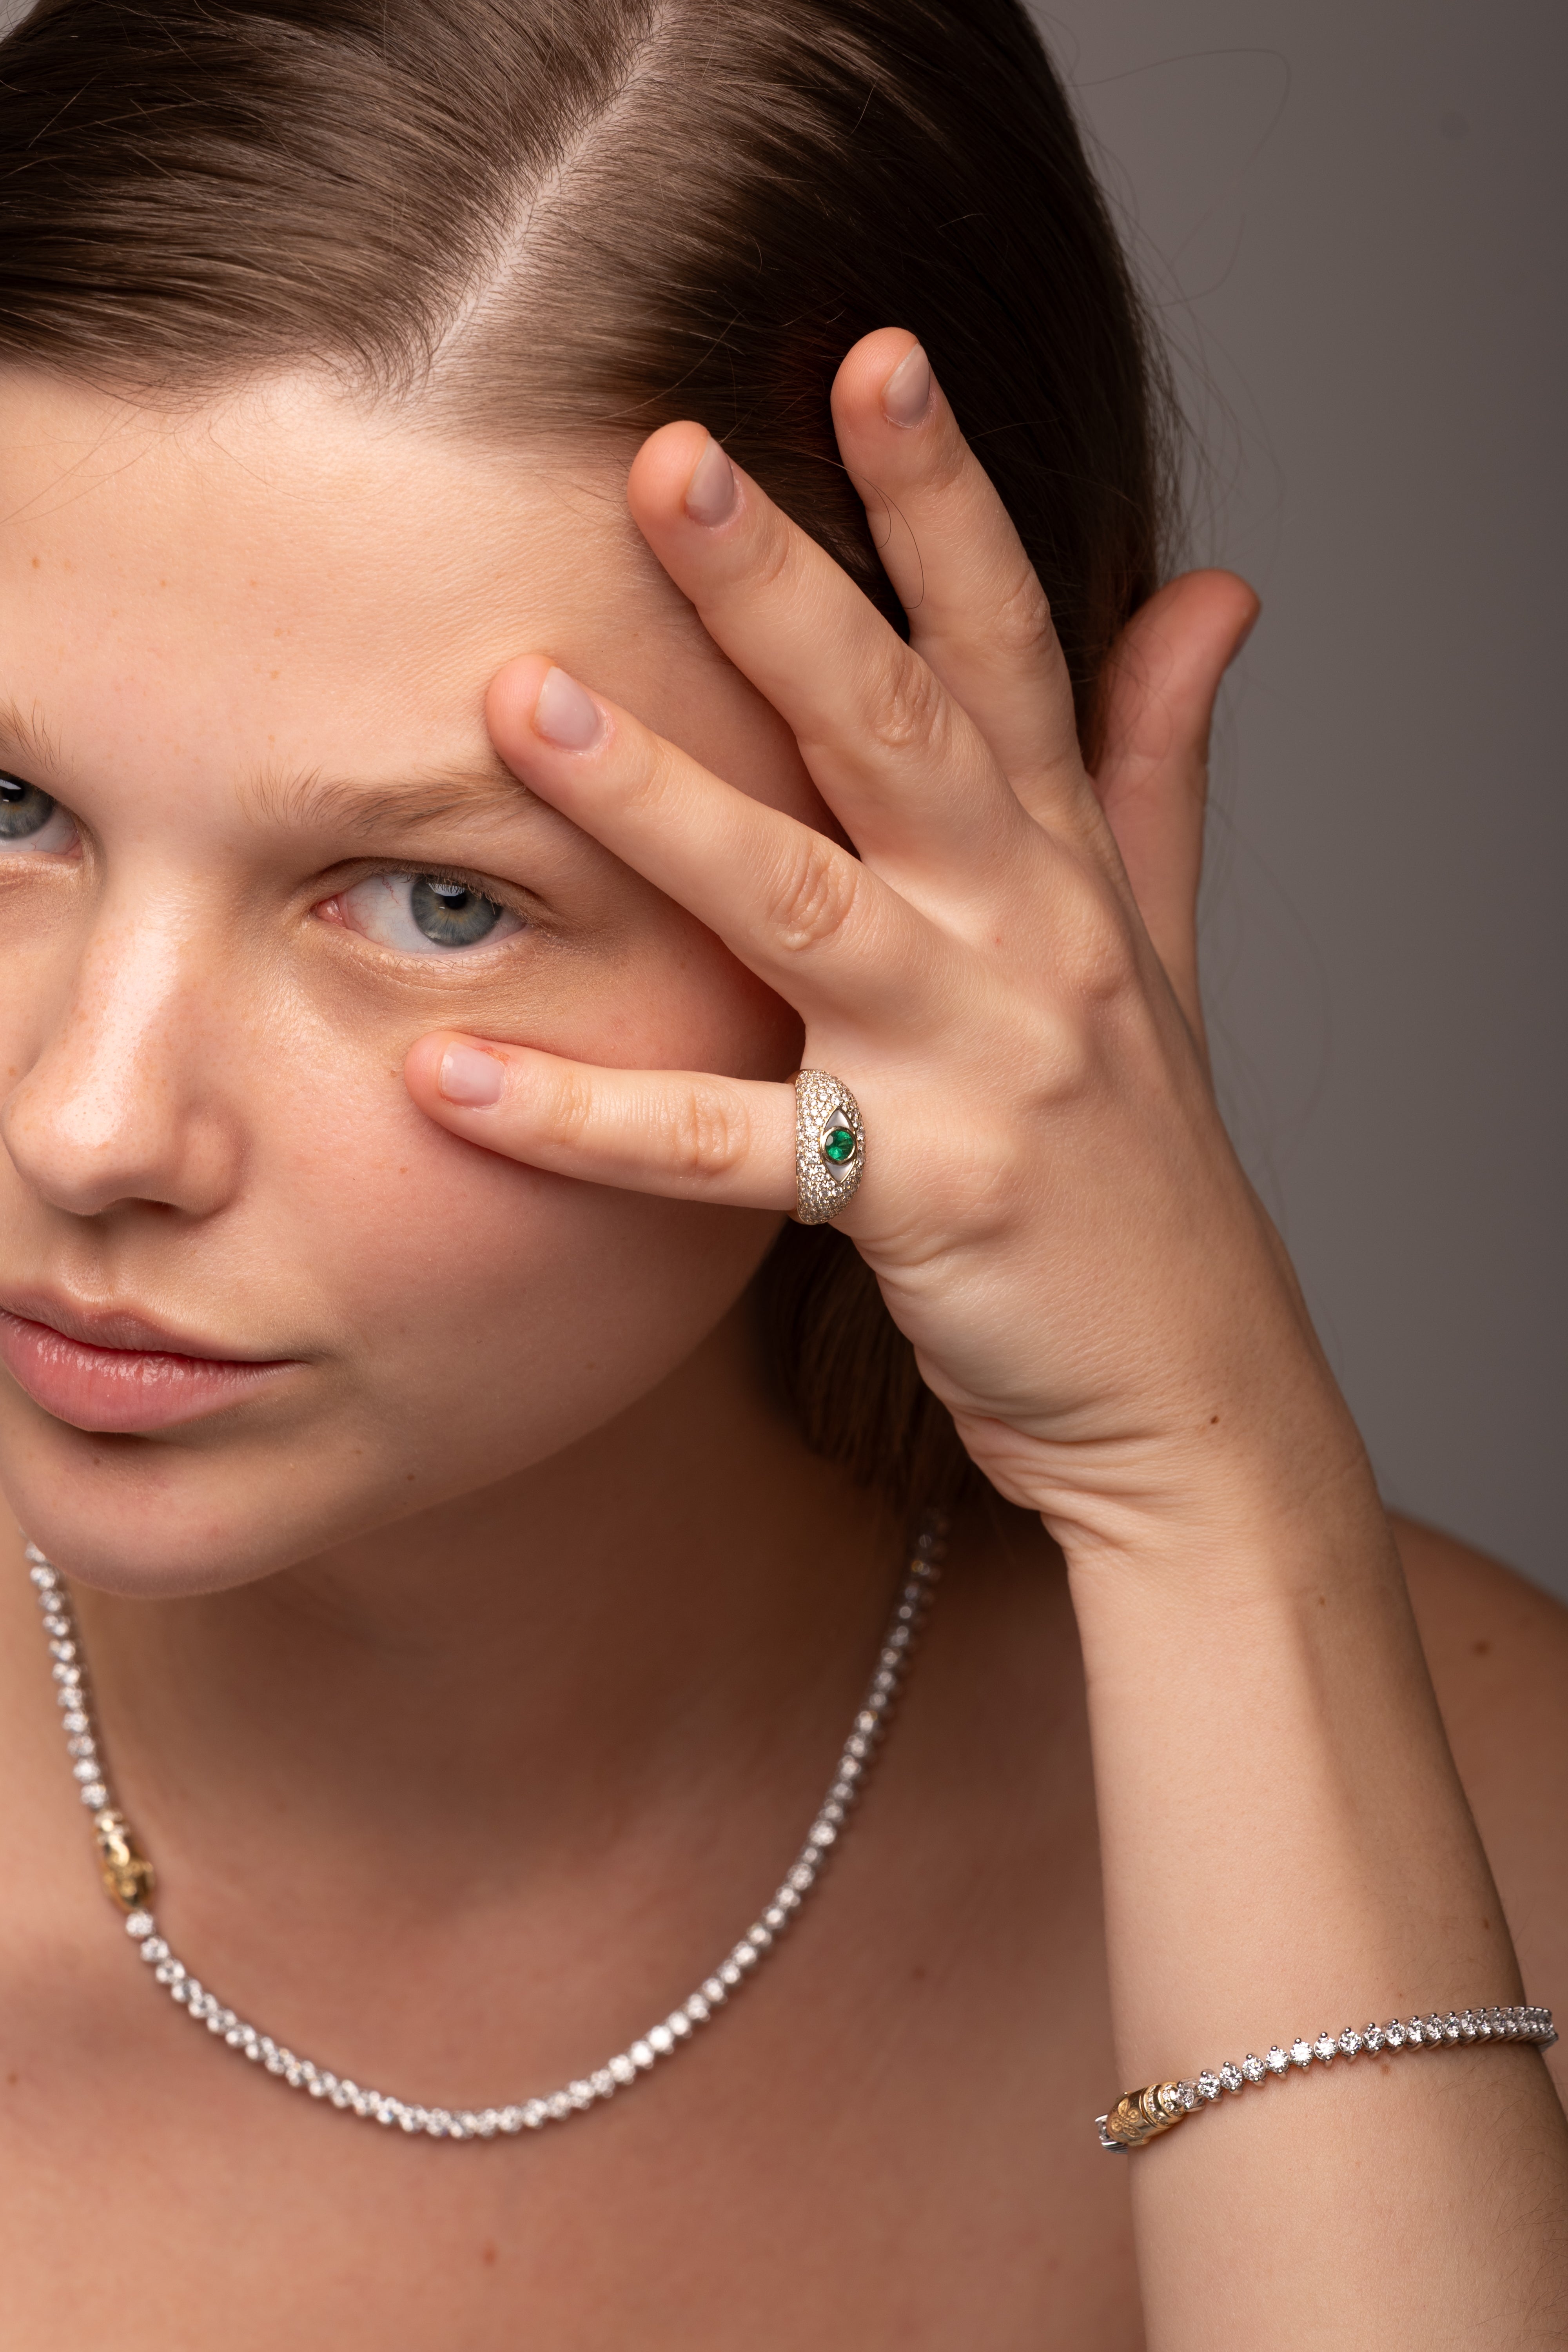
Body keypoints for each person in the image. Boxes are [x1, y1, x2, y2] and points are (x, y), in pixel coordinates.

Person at [0, 0, 1563, 2341]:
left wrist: (1200, 1494)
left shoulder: (1498, 1817)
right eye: (4, 810)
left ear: (950, 902)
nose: (87, 1122)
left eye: (439, 901)